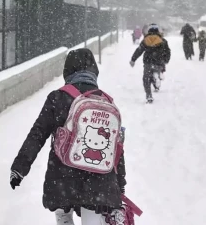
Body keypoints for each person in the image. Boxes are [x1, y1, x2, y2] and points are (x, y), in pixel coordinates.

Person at [9, 48, 127, 225]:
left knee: (63, 213)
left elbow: (38, 134)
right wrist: (120, 184)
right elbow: (116, 148)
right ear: (94, 71)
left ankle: (64, 217)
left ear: (67, 71)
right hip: (99, 181)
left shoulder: (58, 97)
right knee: (93, 217)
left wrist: (19, 167)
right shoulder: (106, 102)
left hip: (63, 177)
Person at [130, 23, 171, 103]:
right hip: (159, 62)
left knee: (146, 79)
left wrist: (133, 60)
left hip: (148, 62)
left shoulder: (146, 40)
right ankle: (157, 78)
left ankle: (149, 96)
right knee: (156, 72)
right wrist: (166, 60)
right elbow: (168, 52)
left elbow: (139, 50)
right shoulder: (163, 41)